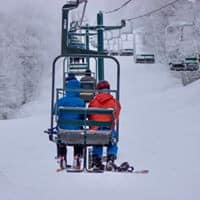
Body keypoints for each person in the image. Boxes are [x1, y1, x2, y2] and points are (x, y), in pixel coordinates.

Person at [88, 80, 121, 170]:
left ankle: (97, 160)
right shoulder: (114, 102)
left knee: (97, 140)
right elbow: (116, 115)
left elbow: (89, 115)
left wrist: (94, 126)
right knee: (112, 140)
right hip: (108, 130)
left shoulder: (93, 102)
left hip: (96, 130)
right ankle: (110, 158)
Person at [55, 79, 85, 169]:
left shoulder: (61, 101)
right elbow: (83, 116)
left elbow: (54, 112)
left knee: (60, 139)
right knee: (79, 138)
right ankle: (77, 156)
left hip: (63, 131)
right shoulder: (81, 102)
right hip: (77, 131)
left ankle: (62, 156)